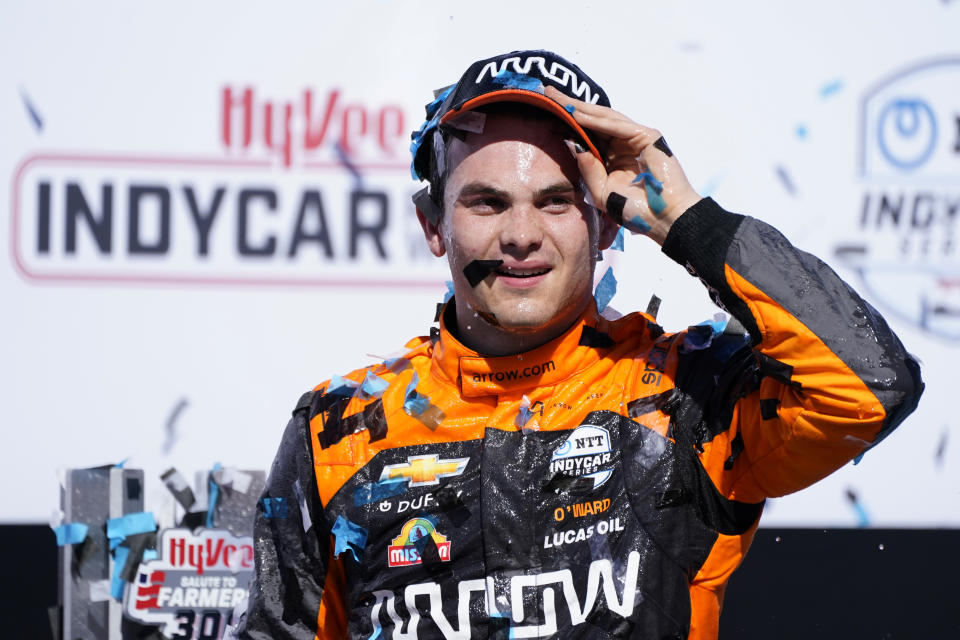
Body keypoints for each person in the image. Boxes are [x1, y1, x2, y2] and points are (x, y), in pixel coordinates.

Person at [236, 50, 923, 639]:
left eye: (558, 202)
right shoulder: (339, 431)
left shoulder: (683, 399)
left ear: (603, 226)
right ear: (433, 224)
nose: (522, 234)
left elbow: (871, 387)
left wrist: (690, 222)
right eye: (487, 202)